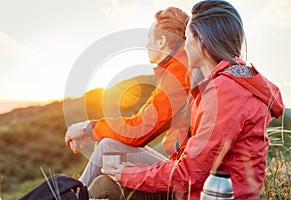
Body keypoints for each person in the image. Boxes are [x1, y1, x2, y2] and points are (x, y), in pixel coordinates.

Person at [88, 1, 285, 199]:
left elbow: (188, 174)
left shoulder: (225, 92)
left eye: (187, 36)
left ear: (201, 40)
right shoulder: (224, 84)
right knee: (110, 159)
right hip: (202, 187)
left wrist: (126, 174)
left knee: (104, 185)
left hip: (205, 193)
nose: (185, 42)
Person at [64, 7, 192, 187]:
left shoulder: (179, 72)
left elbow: (139, 130)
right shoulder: (177, 69)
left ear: (162, 40)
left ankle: (75, 195)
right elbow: (140, 123)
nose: (147, 45)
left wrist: (88, 128)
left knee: (108, 147)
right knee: (109, 145)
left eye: (150, 39)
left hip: (186, 176)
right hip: (183, 166)